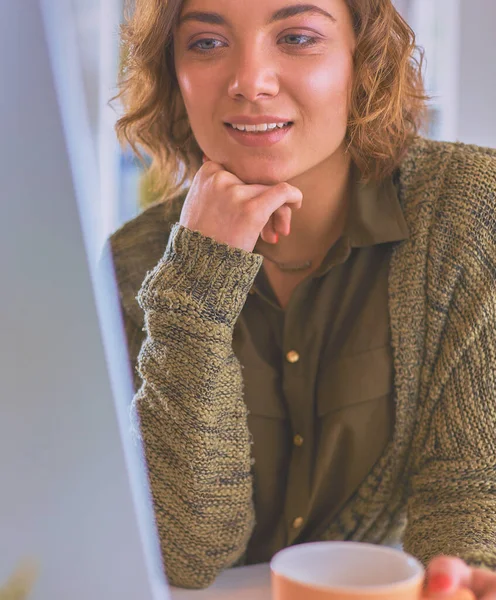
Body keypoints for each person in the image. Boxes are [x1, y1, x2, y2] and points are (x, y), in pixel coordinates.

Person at [109, 0, 496, 593]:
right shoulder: (131, 263)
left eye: (296, 37)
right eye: (207, 44)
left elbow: (469, 504)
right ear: (173, 73)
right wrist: (200, 282)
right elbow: (187, 556)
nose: (249, 82)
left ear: (363, 59)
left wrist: (459, 581)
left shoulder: (468, 211)